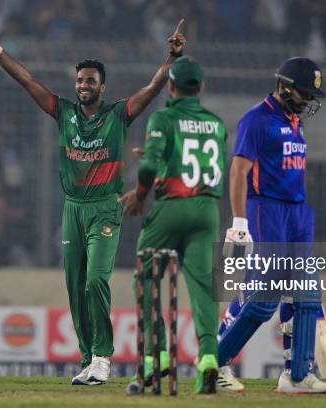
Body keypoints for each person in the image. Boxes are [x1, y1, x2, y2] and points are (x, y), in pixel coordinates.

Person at [0, 11, 187, 386]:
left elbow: (152, 88)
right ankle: (88, 359)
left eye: (90, 81)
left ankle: (104, 357)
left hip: (105, 208)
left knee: (95, 282)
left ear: (102, 88)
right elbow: (26, 80)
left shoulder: (118, 115)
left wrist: (171, 60)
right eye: (80, 80)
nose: (83, 85)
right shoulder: (64, 112)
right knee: (74, 285)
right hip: (72, 209)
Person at [217, 57, 326, 394]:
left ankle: (297, 376)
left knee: (307, 294)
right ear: (284, 86)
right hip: (265, 210)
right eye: (303, 93)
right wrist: (239, 222)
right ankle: (215, 363)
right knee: (264, 296)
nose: (308, 100)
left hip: (298, 213)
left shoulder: (294, 120)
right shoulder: (256, 119)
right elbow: (238, 171)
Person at [119, 56, 227, 394]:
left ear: (170, 86)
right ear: (201, 88)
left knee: (147, 275)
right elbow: (200, 165)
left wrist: (139, 194)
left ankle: (157, 357)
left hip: (171, 210)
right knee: (205, 288)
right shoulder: (217, 123)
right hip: (208, 210)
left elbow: (150, 167)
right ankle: (209, 358)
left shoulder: (163, 117)